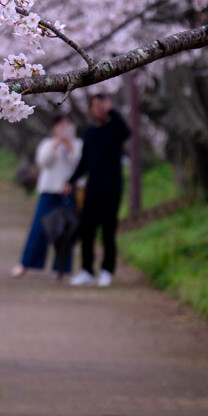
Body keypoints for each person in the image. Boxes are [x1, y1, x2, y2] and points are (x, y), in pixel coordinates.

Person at [65, 94, 131, 287]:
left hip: (111, 189)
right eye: (95, 106)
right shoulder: (90, 132)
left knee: (108, 232)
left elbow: (127, 131)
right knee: (87, 231)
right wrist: (71, 180)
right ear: (90, 109)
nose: (99, 109)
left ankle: (106, 270)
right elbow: (84, 160)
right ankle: (86, 270)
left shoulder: (115, 129)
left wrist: (112, 110)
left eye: (102, 106)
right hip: (92, 189)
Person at [11, 113, 82, 279]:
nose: (64, 129)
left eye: (67, 125)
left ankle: (62, 268)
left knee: (66, 232)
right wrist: (57, 143)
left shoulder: (79, 144)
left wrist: (70, 147)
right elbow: (44, 162)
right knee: (38, 229)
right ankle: (25, 263)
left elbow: (79, 164)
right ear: (54, 128)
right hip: (49, 191)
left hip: (69, 193)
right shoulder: (47, 144)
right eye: (60, 125)